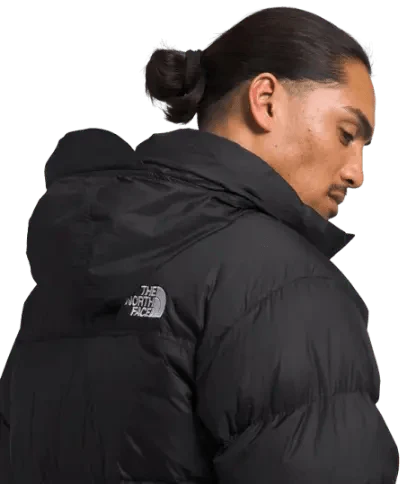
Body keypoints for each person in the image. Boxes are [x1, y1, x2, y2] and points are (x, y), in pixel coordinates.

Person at [0, 6, 399, 483]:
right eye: (347, 133)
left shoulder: (63, 283)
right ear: (266, 100)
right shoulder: (283, 283)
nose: (356, 173)